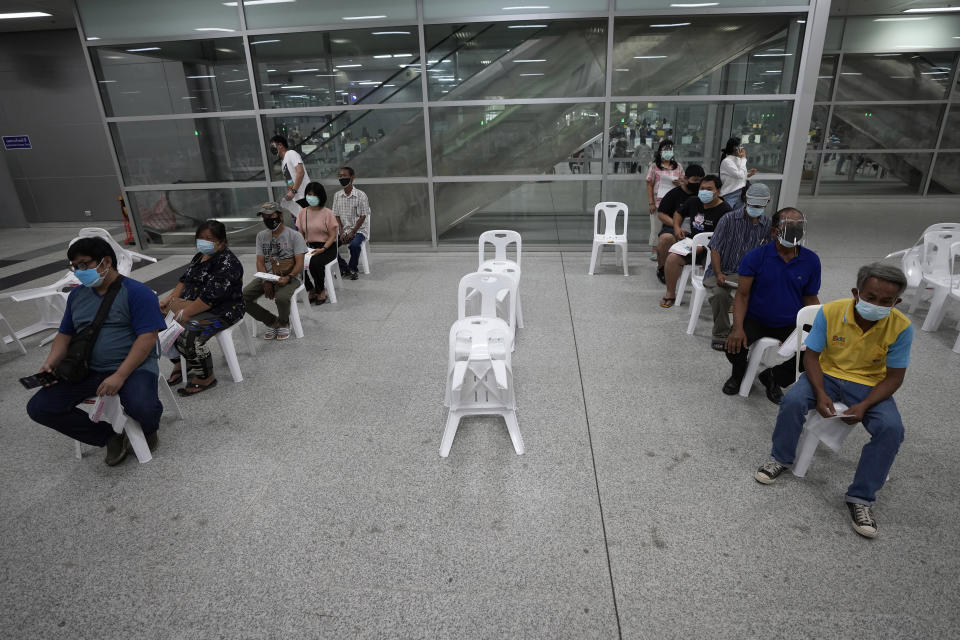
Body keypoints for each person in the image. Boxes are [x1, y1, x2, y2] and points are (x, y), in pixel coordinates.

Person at [754, 264, 913, 539]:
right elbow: (811, 357)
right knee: (792, 401)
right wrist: (820, 392)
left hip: (870, 385)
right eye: (871, 297)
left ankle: (861, 498)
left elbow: (895, 378)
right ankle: (780, 458)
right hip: (826, 375)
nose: (877, 305)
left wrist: (864, 406)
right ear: (856, 293)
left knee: (892, 429)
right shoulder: (831, 311)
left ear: (896, 302)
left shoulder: (901, 327)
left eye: (887, 302)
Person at [26, 236, 166, 466]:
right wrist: (51, 363)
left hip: (133, 367)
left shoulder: (137, 293)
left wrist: (120, 376)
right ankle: (108, 436)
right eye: (75, 267)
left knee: (141, 406)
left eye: (84, 265)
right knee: (40, 408)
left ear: (106, 261)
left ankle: (150, 429)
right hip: (87, 367)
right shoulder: (77, 296)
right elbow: (65, 334)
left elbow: (147, 337)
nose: (79, 272)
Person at [724, 208, 821, 403]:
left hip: (791, 321)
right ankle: (738, 373)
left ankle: (774, 377)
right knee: (733, 346)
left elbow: (810, 298)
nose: (795, 229)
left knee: (816, 351)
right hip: (757, 317)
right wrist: (737, 328)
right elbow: (742, 296)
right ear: (774, 231)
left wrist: (820, 326)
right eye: (789, 225)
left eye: (799, 225)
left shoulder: (811, 260)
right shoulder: (755, 257)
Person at [159, 220, 244, 396]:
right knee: (155, 321)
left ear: (222, 241)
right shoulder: (199, 257)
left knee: (189, 332)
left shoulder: (228, 263)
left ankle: (206, 377)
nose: (203, 241)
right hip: (191, 303)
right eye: (200, 238)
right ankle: (180, 361)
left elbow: (209, 300)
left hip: (222, 310)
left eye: (209, 238)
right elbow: (184, 281)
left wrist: (183, 313)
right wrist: (169, 300)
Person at [702, 183, 773, 350]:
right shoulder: (728, 219)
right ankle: (720, 333)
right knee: (720, 294)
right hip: (723, 271)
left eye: (759, 206)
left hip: (749, 275)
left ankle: (750, 332)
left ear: (767, 203)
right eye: (752, 204)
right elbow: (715, 249)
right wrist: (719, 273)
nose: (754, 208)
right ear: (746, 199)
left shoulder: (768, 224)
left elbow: (769, 254)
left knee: (767, 294)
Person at [659, 174, 731, 309]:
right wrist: (676, 227)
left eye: (709, 189)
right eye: (702, 188)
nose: (704, 192)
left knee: (719, 272)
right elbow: (678, 214)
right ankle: (670, 294)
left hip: (713, 252)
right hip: (692, 245)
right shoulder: (693, 201)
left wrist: (704, 248)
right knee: (672, 259)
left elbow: (726, 238)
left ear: (718, 190)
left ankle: (726, 299)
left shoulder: (725, 210)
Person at [243, 203, 309, 340]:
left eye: (271, 215)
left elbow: (300, 263)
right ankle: (272, 321)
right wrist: (265, 279)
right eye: (264, 216)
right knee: (242, 297)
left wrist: (289, 277)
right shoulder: (261, 236)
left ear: (280, 216)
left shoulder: (295, 236)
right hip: (268, 275)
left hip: (290, 276)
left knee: (282, 298)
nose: (267, 219)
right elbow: (260, 261)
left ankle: (284, 323)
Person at [654, 163, 704, 283]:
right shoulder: (674, 194)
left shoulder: (703, 195)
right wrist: (676, 225)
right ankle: (662, 269)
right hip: (673, 227)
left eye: (700, 181)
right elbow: (661, 214)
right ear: (686, 179)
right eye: (695, 180)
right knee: (665, 238)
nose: (698, 184)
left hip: (698, 228)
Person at [295, 182, 339, 305]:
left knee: (315, 262)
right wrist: (301, 247)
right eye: (309, 194)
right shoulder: (302, 212)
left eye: (314, 195)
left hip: (327, 247)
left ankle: (321, 290)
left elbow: (333, 236)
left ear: (320, 196)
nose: (311, 197)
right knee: (295, 260)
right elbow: (300, 233)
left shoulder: (327, 213)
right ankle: (310, 288)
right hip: (309, 247)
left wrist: (323, 248)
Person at [646, 139, 684, 262]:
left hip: (674, 203)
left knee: (673, 226)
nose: (668, 152)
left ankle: (671, 249)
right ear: (660, 152)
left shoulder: (678, 166)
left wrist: (680, 183)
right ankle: (655, 250)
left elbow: (685, 183)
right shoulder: (654, 166)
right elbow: (649, 184)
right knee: (656, 227)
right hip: (658, 202)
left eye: (670, 149)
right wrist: (651, 203)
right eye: (665, 149)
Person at [333, 166, 371, 280]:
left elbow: (363, 215)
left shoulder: (361, 195)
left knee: (354, 245)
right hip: (343, 230)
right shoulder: (337, 195)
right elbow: (336, 215)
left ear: (352, 177)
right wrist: (341, 231)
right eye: (340, 176)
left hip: (359, 230)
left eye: (344, 176)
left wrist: (353, 232)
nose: (341, 178)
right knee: (329, 246)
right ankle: (344, 267)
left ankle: (353, 268)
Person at [270, 135, 310, 221]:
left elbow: (300, 172)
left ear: (280, 145)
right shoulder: (283, 162)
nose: (271, 149)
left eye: (273, 145)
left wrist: (293, 191)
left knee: (309, 226)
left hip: (305, 196)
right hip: (297, 199)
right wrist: (292, 205)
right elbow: (290, 183)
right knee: (300, 228)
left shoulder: (291, 153)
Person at [718, 137, 758, 210]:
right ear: (735, 148)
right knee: (727, 216)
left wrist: (749, 174)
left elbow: (741, 176)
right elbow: (739, 175)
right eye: (740, 146)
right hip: (730, 194)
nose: (742, 148)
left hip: (740, 193)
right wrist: (743, 159)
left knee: (737, 217)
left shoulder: (739, 159)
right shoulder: (727, 161)